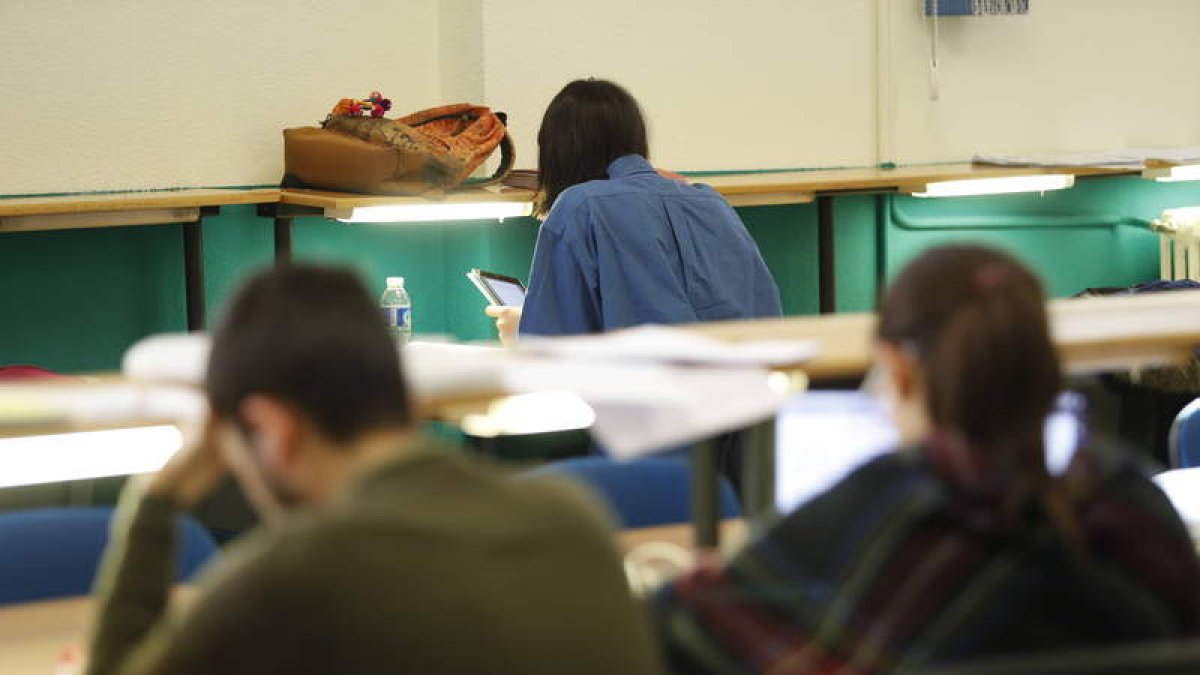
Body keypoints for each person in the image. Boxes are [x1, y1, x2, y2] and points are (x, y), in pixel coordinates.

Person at [86, 264, 664, 675]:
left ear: (273, 429)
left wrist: (158, 500)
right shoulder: (572, 519)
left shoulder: (289, 577)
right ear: (403, 400)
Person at [653, 245, 1200, 674]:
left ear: (898, 369)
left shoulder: (880, 508)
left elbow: (683, 638)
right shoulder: (1131, 503)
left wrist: (708, 586)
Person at [486, 78, 781, 344]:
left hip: (647, 396)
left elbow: (552, 350)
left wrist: (520, 333)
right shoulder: (709, 201)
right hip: (749, 390)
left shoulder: (579, 207)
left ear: (557, 151)